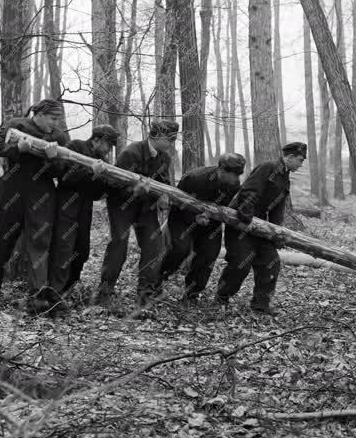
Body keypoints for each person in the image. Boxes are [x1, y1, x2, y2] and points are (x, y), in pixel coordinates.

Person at [0, 99, 68, 312]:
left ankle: (37, 296)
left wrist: (52, 159)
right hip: (12, 188)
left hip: (42, 193)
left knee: (40, 241)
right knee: (2, 238)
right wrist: (16, 148)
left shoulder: (58, 137)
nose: (56, 123)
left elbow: (60, 172)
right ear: (38, 114)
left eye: (58, 119)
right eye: (53, 118)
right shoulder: (16, 125)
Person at [94, 119, 178, 308]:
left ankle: (145, 296)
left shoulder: (164, 158)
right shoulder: (132, 152)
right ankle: (104, 293)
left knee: (154, 246)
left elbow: (164, 183)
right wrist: (135, 190)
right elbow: (114, 184)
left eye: (173, 139)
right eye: (169, 139)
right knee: (119, 245)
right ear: (156, 135)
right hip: (121, 204)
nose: (171, 143)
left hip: (145, 206)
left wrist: (164, 195)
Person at [216, 142, 307, 316]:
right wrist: (247, 219)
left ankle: (260, 305)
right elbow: (249, 191)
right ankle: (221, 297)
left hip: (261, 227)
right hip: (241, 223)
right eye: (300, 160)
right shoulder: (268, 168)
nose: (301, 164)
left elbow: (276, 208)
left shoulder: (284, 177)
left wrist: (275, 234)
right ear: (290, 157)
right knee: (241, 263)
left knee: (270, 262)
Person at [161, 153, 246, 302]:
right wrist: (194, 218)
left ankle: (192, 293)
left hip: (210, 223)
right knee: (181, 249)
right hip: (182, 218)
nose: (237, 179)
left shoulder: (234, 185)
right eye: (234, 174)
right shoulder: (194, 178)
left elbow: (225, 207)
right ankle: (157, 279)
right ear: (222, 170)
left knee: (210, 254)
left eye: (239, 174)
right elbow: (176, 204)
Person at [48, 124, 119, 299]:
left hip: (85, 206)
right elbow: (65, 177)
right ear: (97, 140)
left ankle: (69, 287)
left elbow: (98, 193)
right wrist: (90, 171)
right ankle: (54, 292)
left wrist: (106, 181)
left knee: (82, 249)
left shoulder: (103, 162)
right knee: (63, 248)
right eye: (108, 145)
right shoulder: (75, 147)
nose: (109, 150)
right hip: (66, 202)